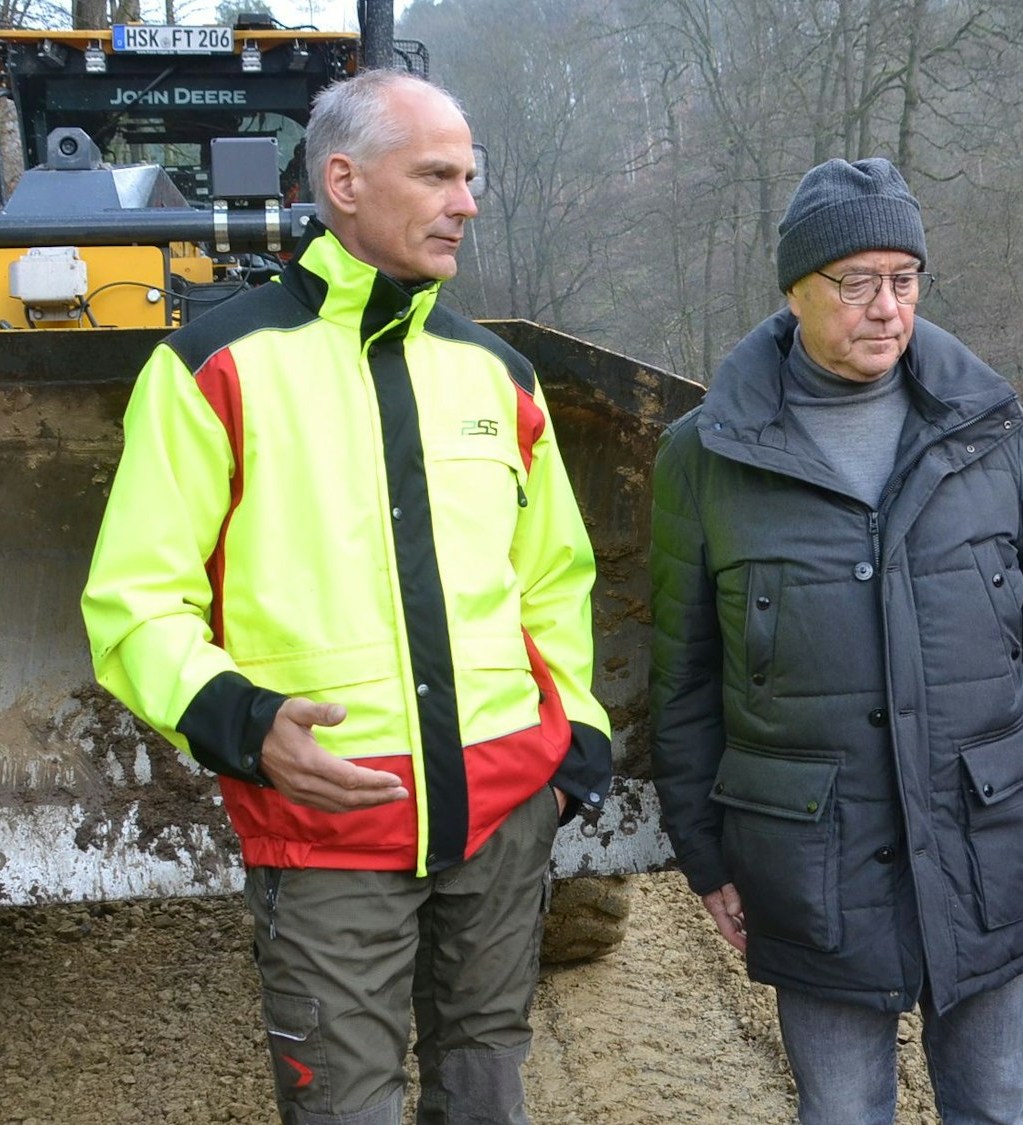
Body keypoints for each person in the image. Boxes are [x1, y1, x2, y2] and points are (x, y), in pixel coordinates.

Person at [80, 70, 610, 1125]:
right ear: (344, 181)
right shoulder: (211, 369)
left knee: (486, 1096)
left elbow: (554, 580)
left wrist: (574, 739)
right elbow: (136, 600)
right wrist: (241, 723)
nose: (467, 201)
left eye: (471, 176)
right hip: (328, 832)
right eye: (436, 175)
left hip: (504, 819)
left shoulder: (497, 377)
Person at [649, 157, 1023, 1125]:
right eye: (854, 281)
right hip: (808, 860)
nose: (884, 307)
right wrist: (707, 859)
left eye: (902, 279)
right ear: (794, 288)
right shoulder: (705, 456)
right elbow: (684, 680)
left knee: (993, 1107)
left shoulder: (985, 426)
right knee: (840, 1113)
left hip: (984, 842)